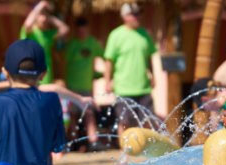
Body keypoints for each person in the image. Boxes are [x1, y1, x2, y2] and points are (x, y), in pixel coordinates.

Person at [103, 2, 157, 137]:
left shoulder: (145, 34)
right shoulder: (116, 35)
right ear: (125, 16)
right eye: (134, 15)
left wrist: (153, 75)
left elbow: (149, 57)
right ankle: (125, 153)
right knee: (125, 121)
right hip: (123, 87)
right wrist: (107, 81)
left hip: (143, 87)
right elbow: (109, 60)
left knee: (147, 120)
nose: (138, 17)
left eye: (139, 14)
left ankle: (146, 151)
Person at [64, 17, 104, 151]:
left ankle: (93, 141)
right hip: (72, 86)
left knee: (89, 113)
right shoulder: (71, 45)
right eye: (79, 31)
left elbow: (105, 57)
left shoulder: (93, 43)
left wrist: (100, 74)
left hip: (86, 86)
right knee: (73, 115)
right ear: (76, 31)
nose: (82, 33)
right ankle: (73, 141)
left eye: (84, 30)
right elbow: (63, 64)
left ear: (87, 30)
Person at [20, 0, 69, 85]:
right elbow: (28, 24)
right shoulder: (30, 32)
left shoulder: (48, 35)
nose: (44, 18)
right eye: (41, 15)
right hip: (31, 76)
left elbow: (65, 29)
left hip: (46, 76)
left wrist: (50, 18)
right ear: (36, 17)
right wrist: (40, 6)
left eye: (45, 15)